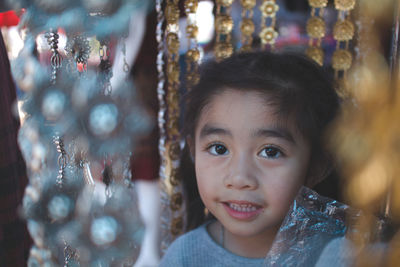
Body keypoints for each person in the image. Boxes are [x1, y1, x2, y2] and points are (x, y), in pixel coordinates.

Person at [159, 50, 341, 266]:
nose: (239, 178)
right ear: (193, 150)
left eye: (270, 152)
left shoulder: (337, 255)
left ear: (316, 167)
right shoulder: (185, 256)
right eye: (219, 148)